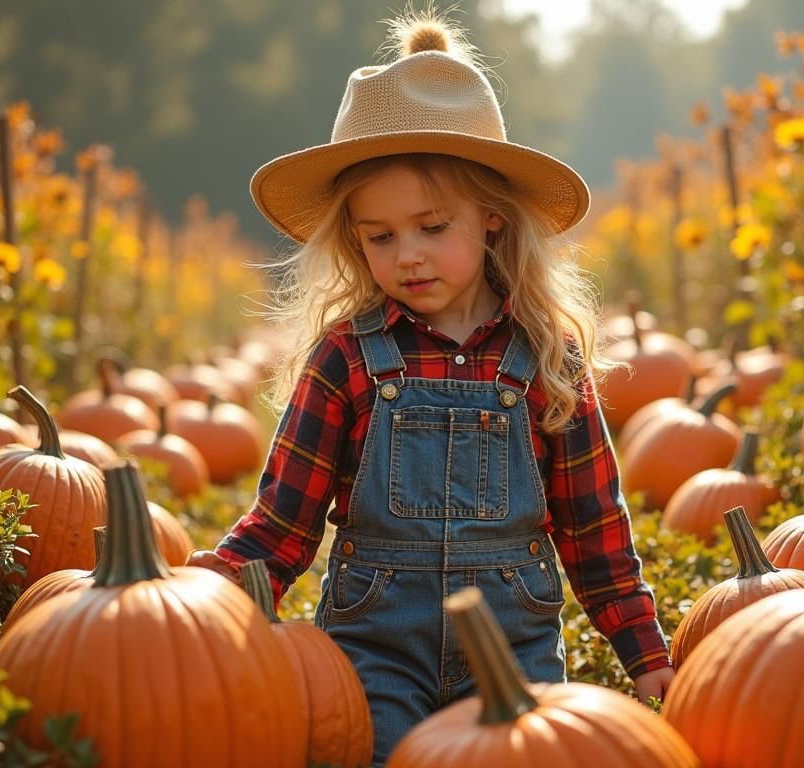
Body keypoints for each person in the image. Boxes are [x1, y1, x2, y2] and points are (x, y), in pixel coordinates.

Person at [188, 7, 673, 764]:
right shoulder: (345, 359)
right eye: (379, 237)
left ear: (491, 218)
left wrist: (648, 658)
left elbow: (595, 535)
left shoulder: (549, 359)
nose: (407, 255)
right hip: (374, 653)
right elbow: (280, 528)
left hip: (515, 659)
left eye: (431, 226)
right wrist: (192, 608)